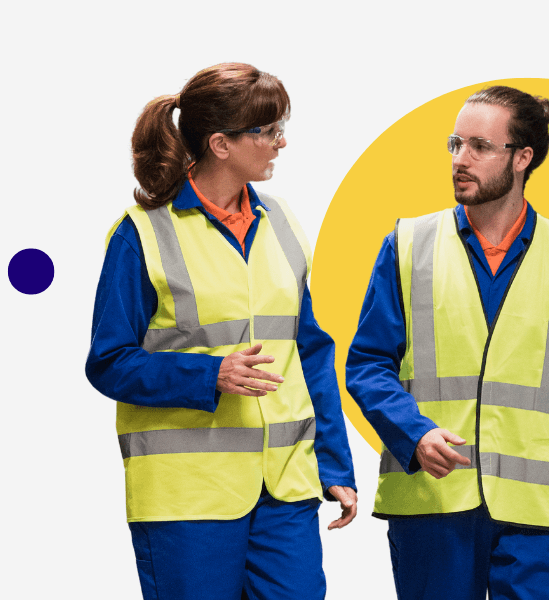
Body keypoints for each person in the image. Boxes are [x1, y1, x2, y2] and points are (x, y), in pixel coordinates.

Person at [85, 63, 357, 600]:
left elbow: (309, 350)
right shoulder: (141, 233)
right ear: (221, 144)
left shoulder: (282, 222)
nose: (281, 142)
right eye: (268, 130)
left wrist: (333, 463)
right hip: (189, 497)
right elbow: (109, 360)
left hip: (284, 488)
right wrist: (210, 374)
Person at [345, 85, 549, 600]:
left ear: (522, 158)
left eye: (479, 147)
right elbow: (367, 364)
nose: (460, 160)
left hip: (539, 515)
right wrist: (414, 433)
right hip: (433, 503)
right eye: (454, 144)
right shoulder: (408, 244)